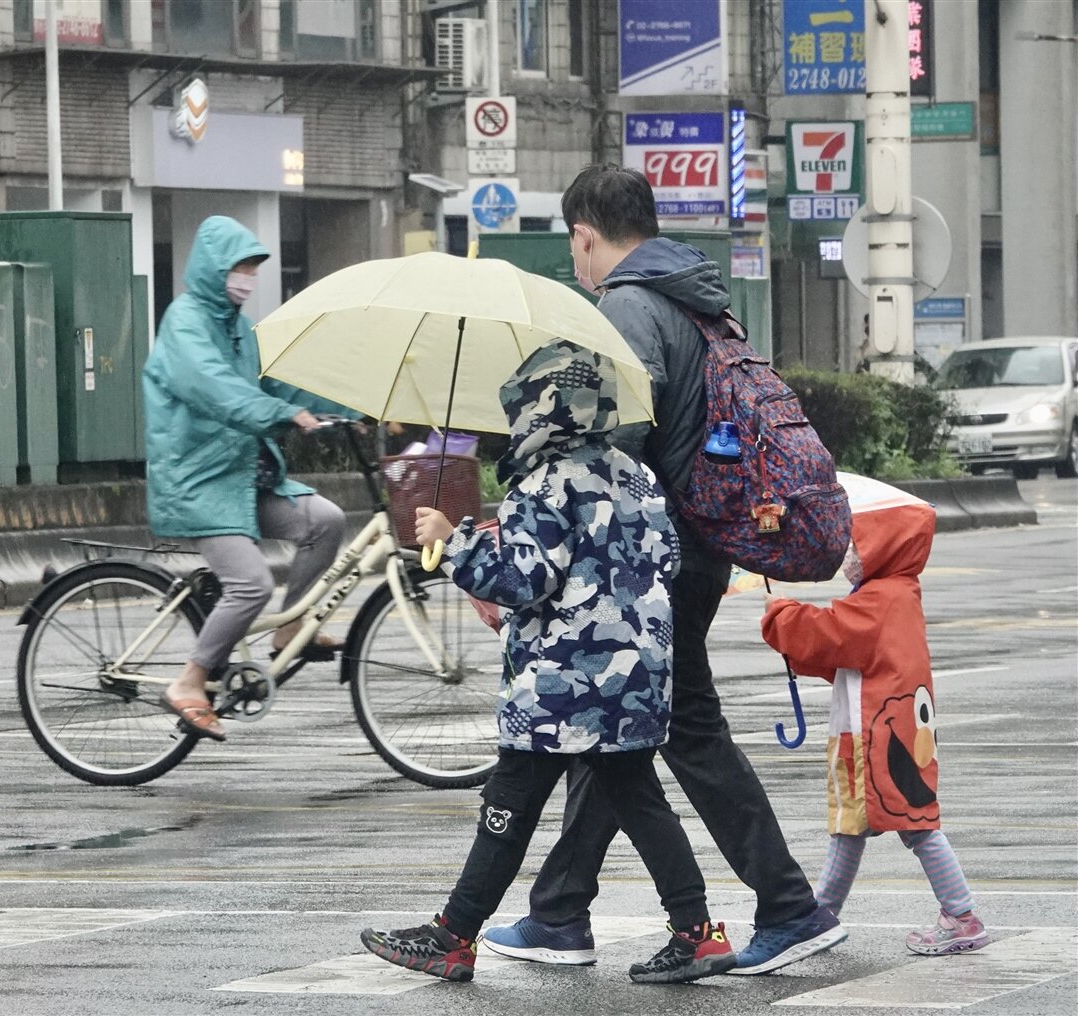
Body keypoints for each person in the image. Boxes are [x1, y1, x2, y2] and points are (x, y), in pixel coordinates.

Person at [480, 165, 845, 975]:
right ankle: (559, 912)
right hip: (691, 544)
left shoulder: (628, 306)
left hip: (653, 560)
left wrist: (532, 544)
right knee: (614, 722)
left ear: (585, 235)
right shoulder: (697, 298)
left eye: (573, 244)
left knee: (679, 726)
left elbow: (613, 448)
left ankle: (788, 906)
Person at [360, 345, 737, 985]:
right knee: (640, 802)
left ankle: (453, 937)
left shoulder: (542, 485)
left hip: (561, 684)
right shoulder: (637, 475)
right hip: (637, 674)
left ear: (539, 412)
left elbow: (522, 580)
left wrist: (452, 543)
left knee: (508, 803)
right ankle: (697, 932)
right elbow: (667, 557)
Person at [142, 216, 352, 742]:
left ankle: (290, 628)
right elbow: (215, 389)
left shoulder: (239, 329)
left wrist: (350, 409)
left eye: (253, 269)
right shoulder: (184, 322)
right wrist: (280, 415)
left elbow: (277, 385)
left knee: (326, 521)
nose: (247, 279)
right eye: (240, 268)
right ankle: (190, 681)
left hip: (243, 479)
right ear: (214, 269)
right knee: (250, 584)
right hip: (198, 483)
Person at [762, 503, 987, 956]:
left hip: (877, 739)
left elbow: (827, 632)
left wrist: (780, 614)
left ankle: (961, 915)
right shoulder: (895, 593)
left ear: (881, 545)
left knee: (914, 825)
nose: (848, 556)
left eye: (855, 545)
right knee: (854, 827)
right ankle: (821, 916)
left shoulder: (881, 598)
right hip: (881, 731)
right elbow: (851, 656)